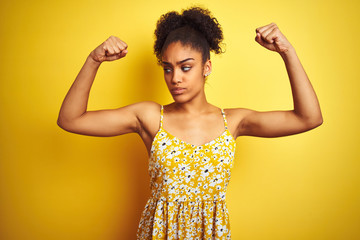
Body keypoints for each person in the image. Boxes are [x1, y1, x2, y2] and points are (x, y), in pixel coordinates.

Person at [57, 6, 323, 240]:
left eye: (186, 67)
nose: (175, 78)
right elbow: (71, 119)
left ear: (206, 67)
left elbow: (308, 118)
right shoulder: (150, 117)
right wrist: (94, 60)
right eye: (167, 68)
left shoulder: (234, 121)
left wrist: (287, 52)